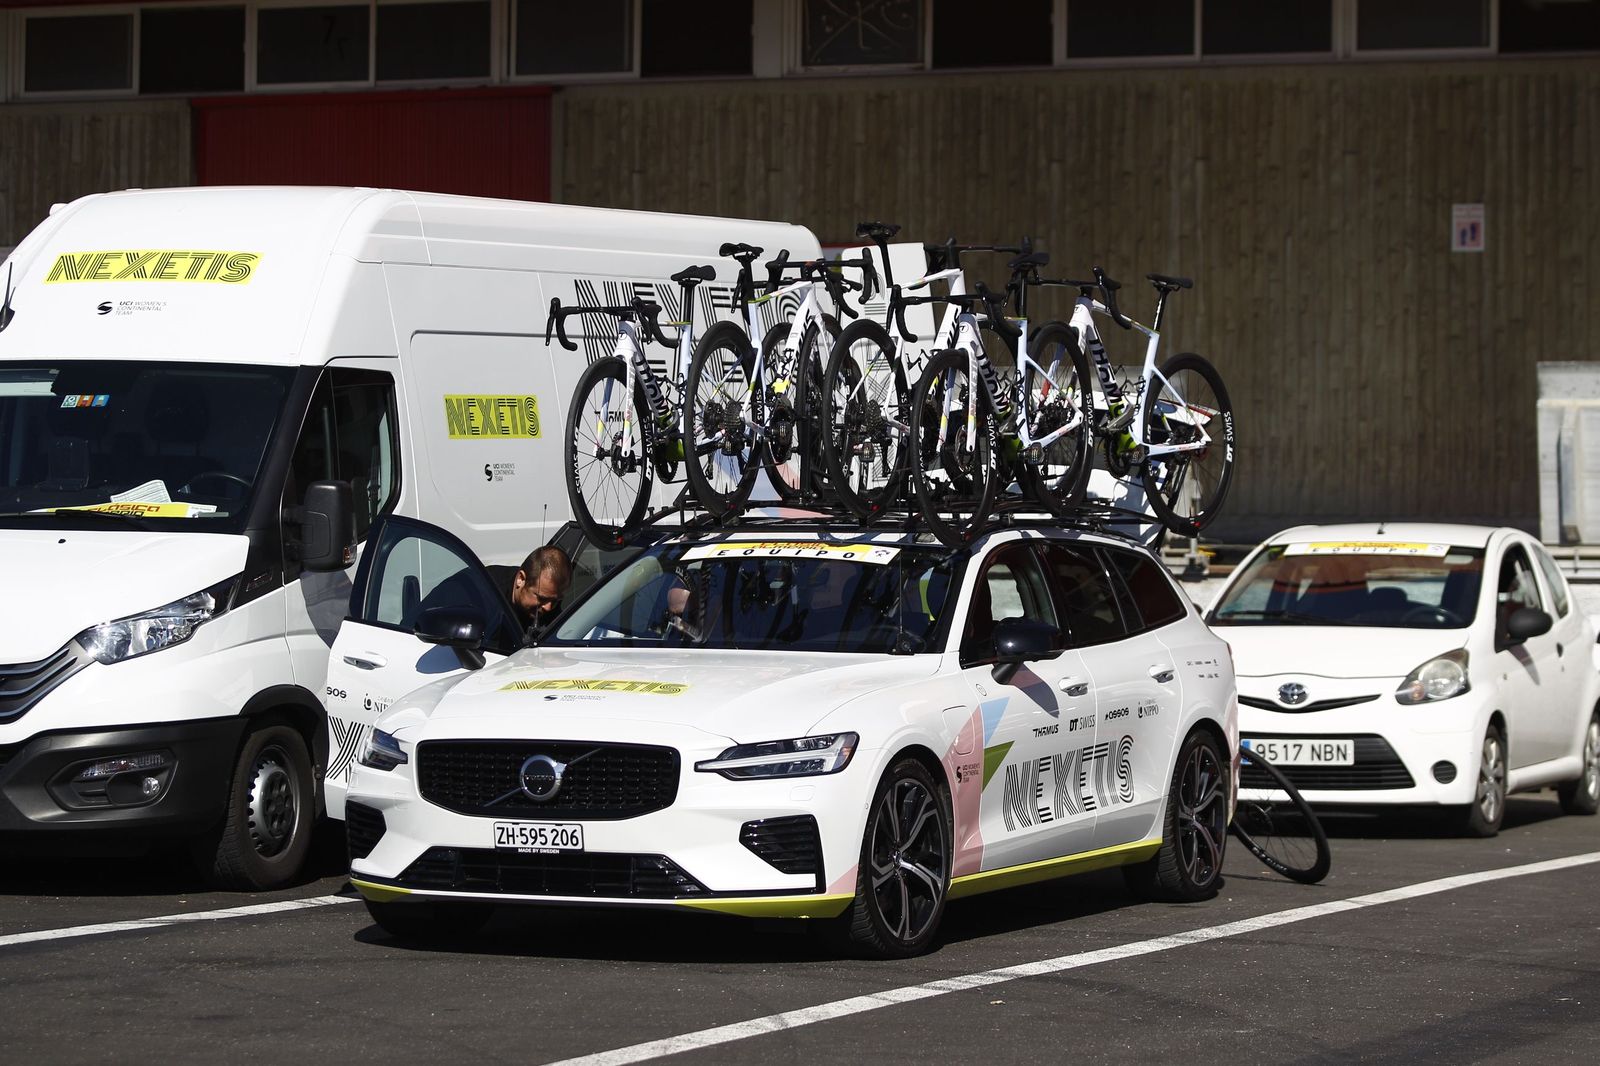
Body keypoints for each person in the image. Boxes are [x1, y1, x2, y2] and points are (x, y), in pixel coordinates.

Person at [499, 544, 572, 638]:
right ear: (520, 579)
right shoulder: (485, 591)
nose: (548, 608)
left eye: (555, 601)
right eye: (542, 598)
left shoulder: (555, 617)